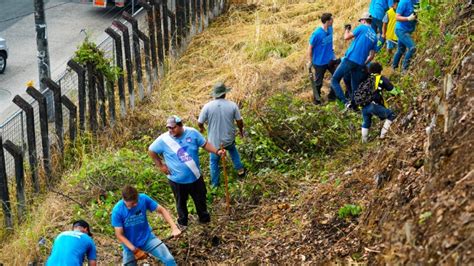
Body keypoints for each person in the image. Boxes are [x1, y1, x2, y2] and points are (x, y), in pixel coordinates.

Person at [148, 115, 225, 227]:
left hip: (195, 177)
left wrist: (217, 151)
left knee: (200, 200)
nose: (171, 130)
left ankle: (204, 220)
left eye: (173, 128)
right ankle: (183, 223)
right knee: (180, 203)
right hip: (176, 180)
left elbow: (205, 144)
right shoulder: (163, 140)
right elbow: (151, 151)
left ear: (180, 125)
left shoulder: (192, 133)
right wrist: (161, 165)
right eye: (168, 128)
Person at [111, 185, 181, 266]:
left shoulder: (143, 199)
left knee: (168, 259)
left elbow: (162, 210)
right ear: (124, 199)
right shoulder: (117, 210)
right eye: (132, 203)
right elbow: (119, 235)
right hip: (129, 245)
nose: (135, 204)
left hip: (147, 239)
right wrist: (135, 250)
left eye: (136, 201)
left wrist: (174, 228)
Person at [198, 82, 245, 188]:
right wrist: (241, 130)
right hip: (229, 139)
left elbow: (200, 122)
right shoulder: (232, 105)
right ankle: (240, 171)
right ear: (225, 94)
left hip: (214, 142)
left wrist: (202, 128)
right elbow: (239, 121)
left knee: (214, 161)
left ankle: (215, 185)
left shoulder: (207, 107)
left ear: (215, 94)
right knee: (233, 151)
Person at [330, 12, 377, 109]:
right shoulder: (375, 37)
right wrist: (364, 63)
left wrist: (347, 29)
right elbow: (371, 56)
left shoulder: (362, 27)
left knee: (334, 80)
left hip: (350, 59)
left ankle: (346, 102)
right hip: (360, 64)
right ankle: (355, 107)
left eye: (361, 21)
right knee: (355, 87)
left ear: (363, 20)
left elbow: (346, 37)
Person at [360, 62, 396, 142]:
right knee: (391, 115)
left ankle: (364, 142)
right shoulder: (381, 78)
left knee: (366, 122)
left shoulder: (366, 79)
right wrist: (399, 93)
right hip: (373, 105)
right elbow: (392, 90)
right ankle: (383, 135)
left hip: (363, 106)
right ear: (380, 70)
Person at [306, 13, 337, 104]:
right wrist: (310, 61)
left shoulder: (330, 28)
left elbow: (330, 42)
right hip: (319, 62)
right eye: (331, 19)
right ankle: (317, 99)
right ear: (327, 21)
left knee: (337, 76)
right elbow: (310, 47)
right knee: (318, 83)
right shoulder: (317, 33)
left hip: (330, 59)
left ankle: (332, 96)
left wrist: (332, 52)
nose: (333, 20)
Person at [392, 0, 417, 72]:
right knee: (412, 48)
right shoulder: (403, 2)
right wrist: (408, 18)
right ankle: (404, 69)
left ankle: (393, 68)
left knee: (401, 49)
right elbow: (397, 17)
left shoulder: (417, 1)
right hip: (401, 30)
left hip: (408, 30)